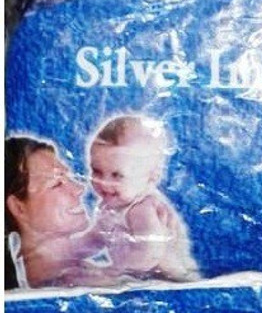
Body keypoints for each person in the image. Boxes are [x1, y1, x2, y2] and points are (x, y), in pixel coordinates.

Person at [85, 115, 200, 282]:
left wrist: (109, 268)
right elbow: (94, 237)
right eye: (96, 171)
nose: (104, 182)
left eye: (117, 175)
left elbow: (149, 254)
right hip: (138, 276)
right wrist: (74, 252)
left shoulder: (142, 207)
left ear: (152, 177)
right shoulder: (111, 204)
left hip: (172, 278)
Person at [5, 137, 92, 288]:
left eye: (69, 178)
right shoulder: (58, 284)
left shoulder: (82, 272)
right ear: (19, 208)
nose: (79, 189)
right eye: (57, 184)